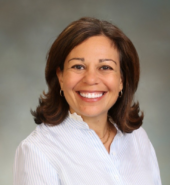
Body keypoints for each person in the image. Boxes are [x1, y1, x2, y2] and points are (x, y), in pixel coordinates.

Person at [13, 17, 162, 185]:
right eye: (78, 66)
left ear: (122, 79)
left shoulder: (138, 139)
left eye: (105, 67)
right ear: (60, 76)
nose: (91, 79)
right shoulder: (37, 151)